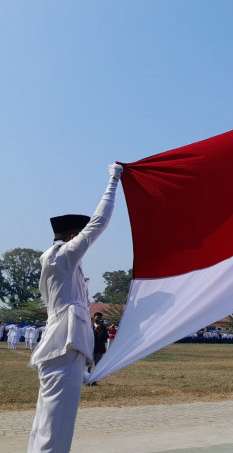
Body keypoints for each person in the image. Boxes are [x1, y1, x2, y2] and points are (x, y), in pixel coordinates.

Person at [27, 163, 122, 453]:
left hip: (65, 352)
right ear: (71, 237)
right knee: (55, 434)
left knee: (46, 428)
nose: (84, 242)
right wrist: (114, 180)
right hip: (63, 350)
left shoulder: (65, 265)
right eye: (79, 236)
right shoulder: (62, 257)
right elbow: (98, 223)